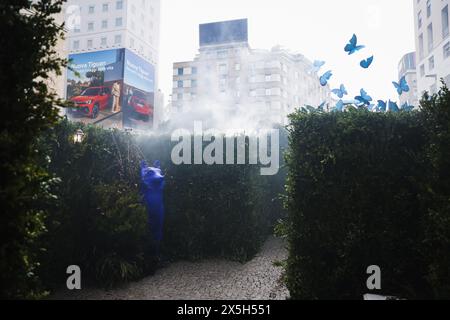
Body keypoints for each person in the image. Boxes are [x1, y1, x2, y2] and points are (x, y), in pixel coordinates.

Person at [140, 160, 165, 273]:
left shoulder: (158, 182)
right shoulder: (148, 181)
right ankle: (149, 261)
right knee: (148, 232)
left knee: (157, 233)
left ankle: (155, 258)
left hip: (158, 209)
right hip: (150, 209)